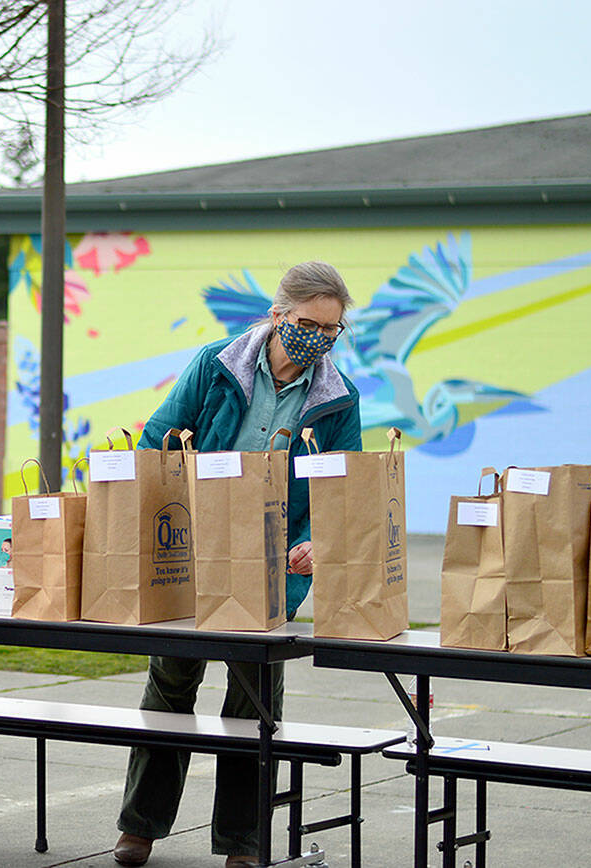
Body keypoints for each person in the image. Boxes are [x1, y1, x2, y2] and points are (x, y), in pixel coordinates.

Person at [112, 262, 363, 868]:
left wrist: (319, 541)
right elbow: (157, 441)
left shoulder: (338, 398)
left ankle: (242, 843)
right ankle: (139, 828)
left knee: (254, 702)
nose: (319, 340)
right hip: (196, 553)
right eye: (309, 325)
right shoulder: (216, 365)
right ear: (278, 315)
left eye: (333, 331)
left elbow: (341, 489)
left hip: (278, 563)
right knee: (170, 684)